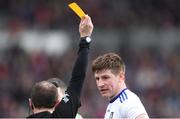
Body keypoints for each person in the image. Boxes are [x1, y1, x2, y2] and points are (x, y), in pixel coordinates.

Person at [28, 15, 93, 118]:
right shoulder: (64, 115)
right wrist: (85, 39)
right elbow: (78, 77)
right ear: (57, 102)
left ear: (30, 103)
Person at [91, 53, 149, 119]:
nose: (100, 84)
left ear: (121, 77)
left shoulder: (128, 102)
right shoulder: (114, 102)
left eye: (105, 77)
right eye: (97, 78)